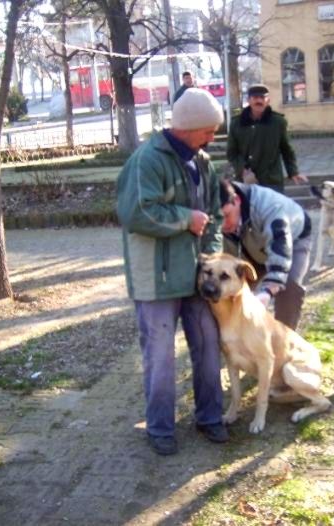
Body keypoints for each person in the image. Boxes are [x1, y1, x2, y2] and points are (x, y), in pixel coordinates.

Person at [116, 88, 228, 456]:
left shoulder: (203, 161)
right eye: (209, 130)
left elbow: (211, 212)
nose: (212, 137)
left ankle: (210, 417)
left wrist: (211, 255)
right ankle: (160, 427)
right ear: (188, 126)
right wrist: (186, 219)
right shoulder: (146, 160)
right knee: (160, 356)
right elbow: (137, 213)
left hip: (197, 277)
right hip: (156, 280)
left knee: (209, 345)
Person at [219, 178, 312, 330]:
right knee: (230, 289)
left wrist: (268, 291)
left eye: (226, 215)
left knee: (290, 285)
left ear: (236, 200)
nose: (222, 225)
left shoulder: (271, 208)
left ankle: (284, 338)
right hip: (249, 246)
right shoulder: (218, 218)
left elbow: (280, 249)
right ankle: (239, 338)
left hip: (291, 239)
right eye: (217, 219)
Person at [226, 83, 308, 193]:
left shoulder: (278, 122)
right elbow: (232, 153)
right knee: (248, 210)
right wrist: (243, 170)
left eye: (262, 97)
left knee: (274, 209)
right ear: (249, 100)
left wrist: (293, 171)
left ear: (268, 100)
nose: (259, 101)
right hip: (246, 180)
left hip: (271, 180)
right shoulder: (237, 123)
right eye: (255, 98)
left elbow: (286, 150)